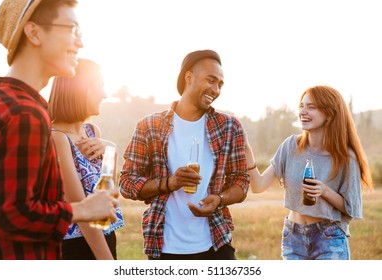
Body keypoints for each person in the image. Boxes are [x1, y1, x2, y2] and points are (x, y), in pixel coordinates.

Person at [0, 0, 119, 260]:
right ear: (34, 32)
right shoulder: (25, 113)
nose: (80, 43)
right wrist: (82, 211)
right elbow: (9, 213)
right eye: (72, 30)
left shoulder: (1, 99)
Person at [120, 49, 250, 260]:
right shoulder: (149, 126)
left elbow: (241, 182)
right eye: (211, 80)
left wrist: (218, 199)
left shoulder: (229, 127)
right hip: (164, 248)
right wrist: (169, 183)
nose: (216, 89)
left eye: (220, 84)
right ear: (188, 77)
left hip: (216, 244)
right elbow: (127, 182)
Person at [245, 85, 373, 260]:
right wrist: (247, 153)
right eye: (301, 106)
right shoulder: (290, 146)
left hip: (329, 238)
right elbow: (258, 186)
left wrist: (325, 191)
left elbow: (352, 209)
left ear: (329, 114)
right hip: (293, 237)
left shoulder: (346, 157)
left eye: (311, 107)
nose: (302, 112)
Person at [48, 58, 125, 260]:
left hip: (106, 235)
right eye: (99, 86)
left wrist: (112, 150)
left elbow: (107, 195)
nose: (104, 94)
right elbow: (80, 207)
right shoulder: (57, 138)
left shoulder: (92, 132)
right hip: (75, 247)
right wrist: (106, 261)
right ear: (79, 90)